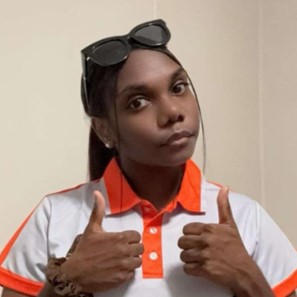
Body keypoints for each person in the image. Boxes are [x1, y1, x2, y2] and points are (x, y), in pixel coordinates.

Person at [0, 19, 296, 297]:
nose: (172, 112)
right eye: (138, 102)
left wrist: (248, 277)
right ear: (105, 129)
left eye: (178, 88)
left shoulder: (247, 218)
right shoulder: (54, 216)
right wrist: (68, 279)